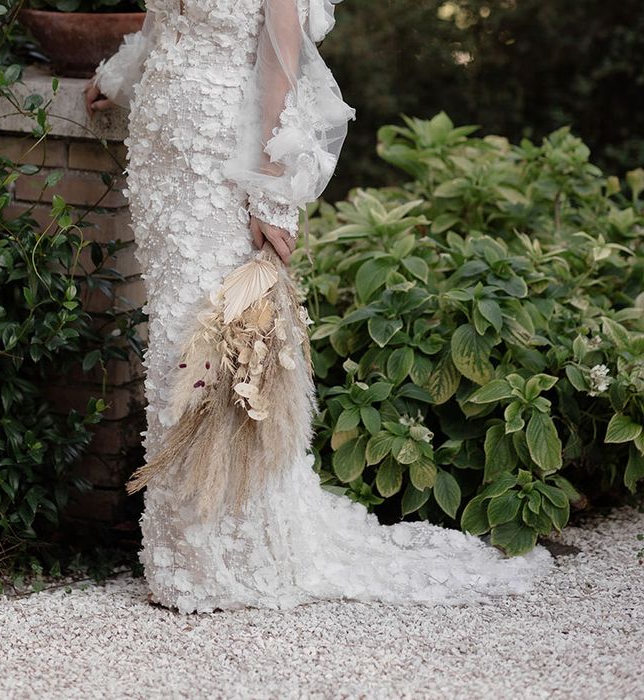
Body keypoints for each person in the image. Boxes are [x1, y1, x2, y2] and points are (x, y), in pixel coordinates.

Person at [83, 0, 553, 614]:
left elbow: (283, 61)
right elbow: (161, 25)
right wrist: (116, 79)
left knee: (219, 341)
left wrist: (271, 190)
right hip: (162, 153)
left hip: (225, 153)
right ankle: (183, 546)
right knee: (173, 336)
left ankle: (236, 550)